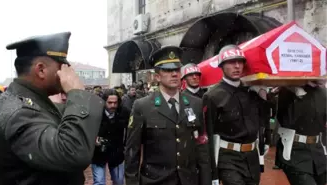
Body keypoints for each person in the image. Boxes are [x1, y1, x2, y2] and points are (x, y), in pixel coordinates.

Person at [0, 32, 104, 185]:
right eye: (62, 67)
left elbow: (55, 116)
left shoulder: (29, 101)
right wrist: (77, 94)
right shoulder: (19, 112)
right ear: (41, 70)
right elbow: (71, 153)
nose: (68, 73)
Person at [125, 46, 211, 185]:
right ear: (157, 76)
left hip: (188, 180)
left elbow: (202, 147)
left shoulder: (195, 104)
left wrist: (206, 180)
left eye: (177, 70)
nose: (174, 74)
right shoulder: (143, 106)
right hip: (156, 180)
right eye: (168, 70)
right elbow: (132, 151)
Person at [203, 45, 271, 185]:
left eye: (240, 62)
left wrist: (263, 95)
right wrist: (212, 173)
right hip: (228, 158)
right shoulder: (212, 96)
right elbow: (208, 134)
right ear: (222, 66)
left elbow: (263, 119)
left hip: (252, 156)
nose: (237, 66)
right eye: (231, 62)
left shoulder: (251, 93)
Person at [276, 82, 327, 185]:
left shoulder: (323, 93)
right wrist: (300, 99)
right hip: (295, 151)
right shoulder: (288, 92)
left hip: (317, 153)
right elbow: (286, 121)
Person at [91, 88, 130, 185]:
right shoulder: (95, 112)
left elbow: (130, 130)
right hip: (98, 153)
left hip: (117, 153)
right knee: (99, 182)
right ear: (104, 101)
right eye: (110, 102)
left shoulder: (124, 112)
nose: (113, 105)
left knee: (119, 181)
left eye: (115, 103)